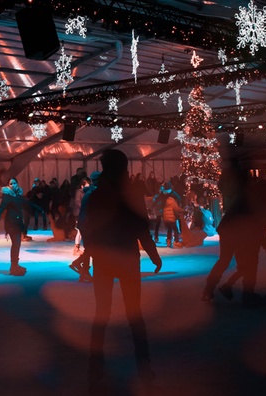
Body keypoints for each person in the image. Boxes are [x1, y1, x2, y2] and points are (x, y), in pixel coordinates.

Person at [83, 149, 162, 392]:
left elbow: (88, 230)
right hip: (127, 258)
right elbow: (140, 226)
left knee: (102, 313)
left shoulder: (96, 196)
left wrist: (90, 255)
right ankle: (144, 366)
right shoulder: (131, 196)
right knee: (134, 313)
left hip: (105, 260)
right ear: (124, 169)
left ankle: (96, 367)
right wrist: (152, 252)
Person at [201, 157, 266, 306]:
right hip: (237, 232)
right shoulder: (249, 196)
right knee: (249, 262)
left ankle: (211, 289)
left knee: (226, 260)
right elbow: (253, 219)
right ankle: (246, 294)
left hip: (229, 230)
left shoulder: (241, 195)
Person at [0, 178, 44, 276]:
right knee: (16, 244)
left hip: (18, 222)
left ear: (17, 184)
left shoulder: (18, 196)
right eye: (10, 183)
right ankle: (13, 267)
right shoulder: (7, 196)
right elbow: (2, 206)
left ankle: (15, 265)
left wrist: (39, 209)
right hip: (11, 223)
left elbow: (27, 204)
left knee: (17, 244)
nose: (12, 185)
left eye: (14, 183)